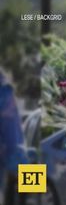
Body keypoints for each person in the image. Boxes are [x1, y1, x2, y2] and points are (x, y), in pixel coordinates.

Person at [0, 71, 28, 205]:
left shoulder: (6, 90)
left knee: (28, 184)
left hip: (15, 146)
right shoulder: (6, 91)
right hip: (10, 146)